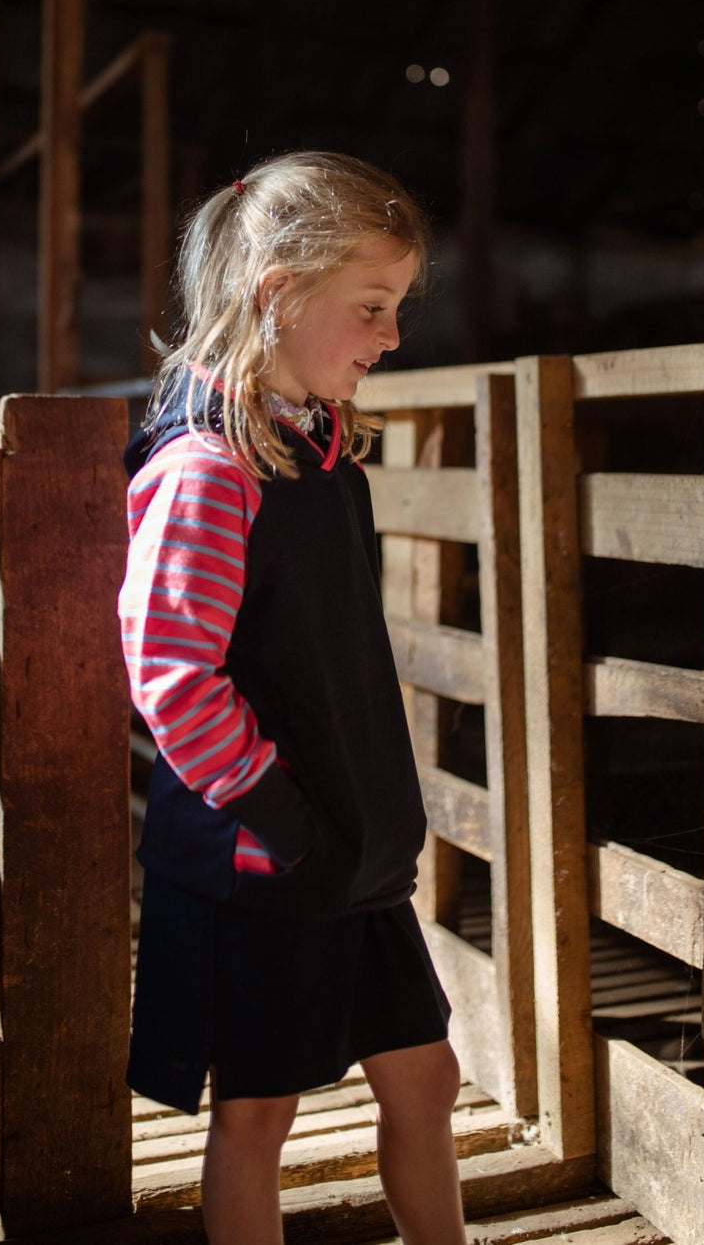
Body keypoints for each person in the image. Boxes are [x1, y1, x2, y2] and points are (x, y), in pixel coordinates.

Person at [118, 151, 465, 1245]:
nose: (391, 336)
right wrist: (284, 820)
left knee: (427, 1073)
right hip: (270, 856)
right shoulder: (206, 471)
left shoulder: (319, 458)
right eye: (371, 306)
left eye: (397, 307)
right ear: (275, 289)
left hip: (347, 853)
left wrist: (341, 833)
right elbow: (171, 671)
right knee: (256, 1110)